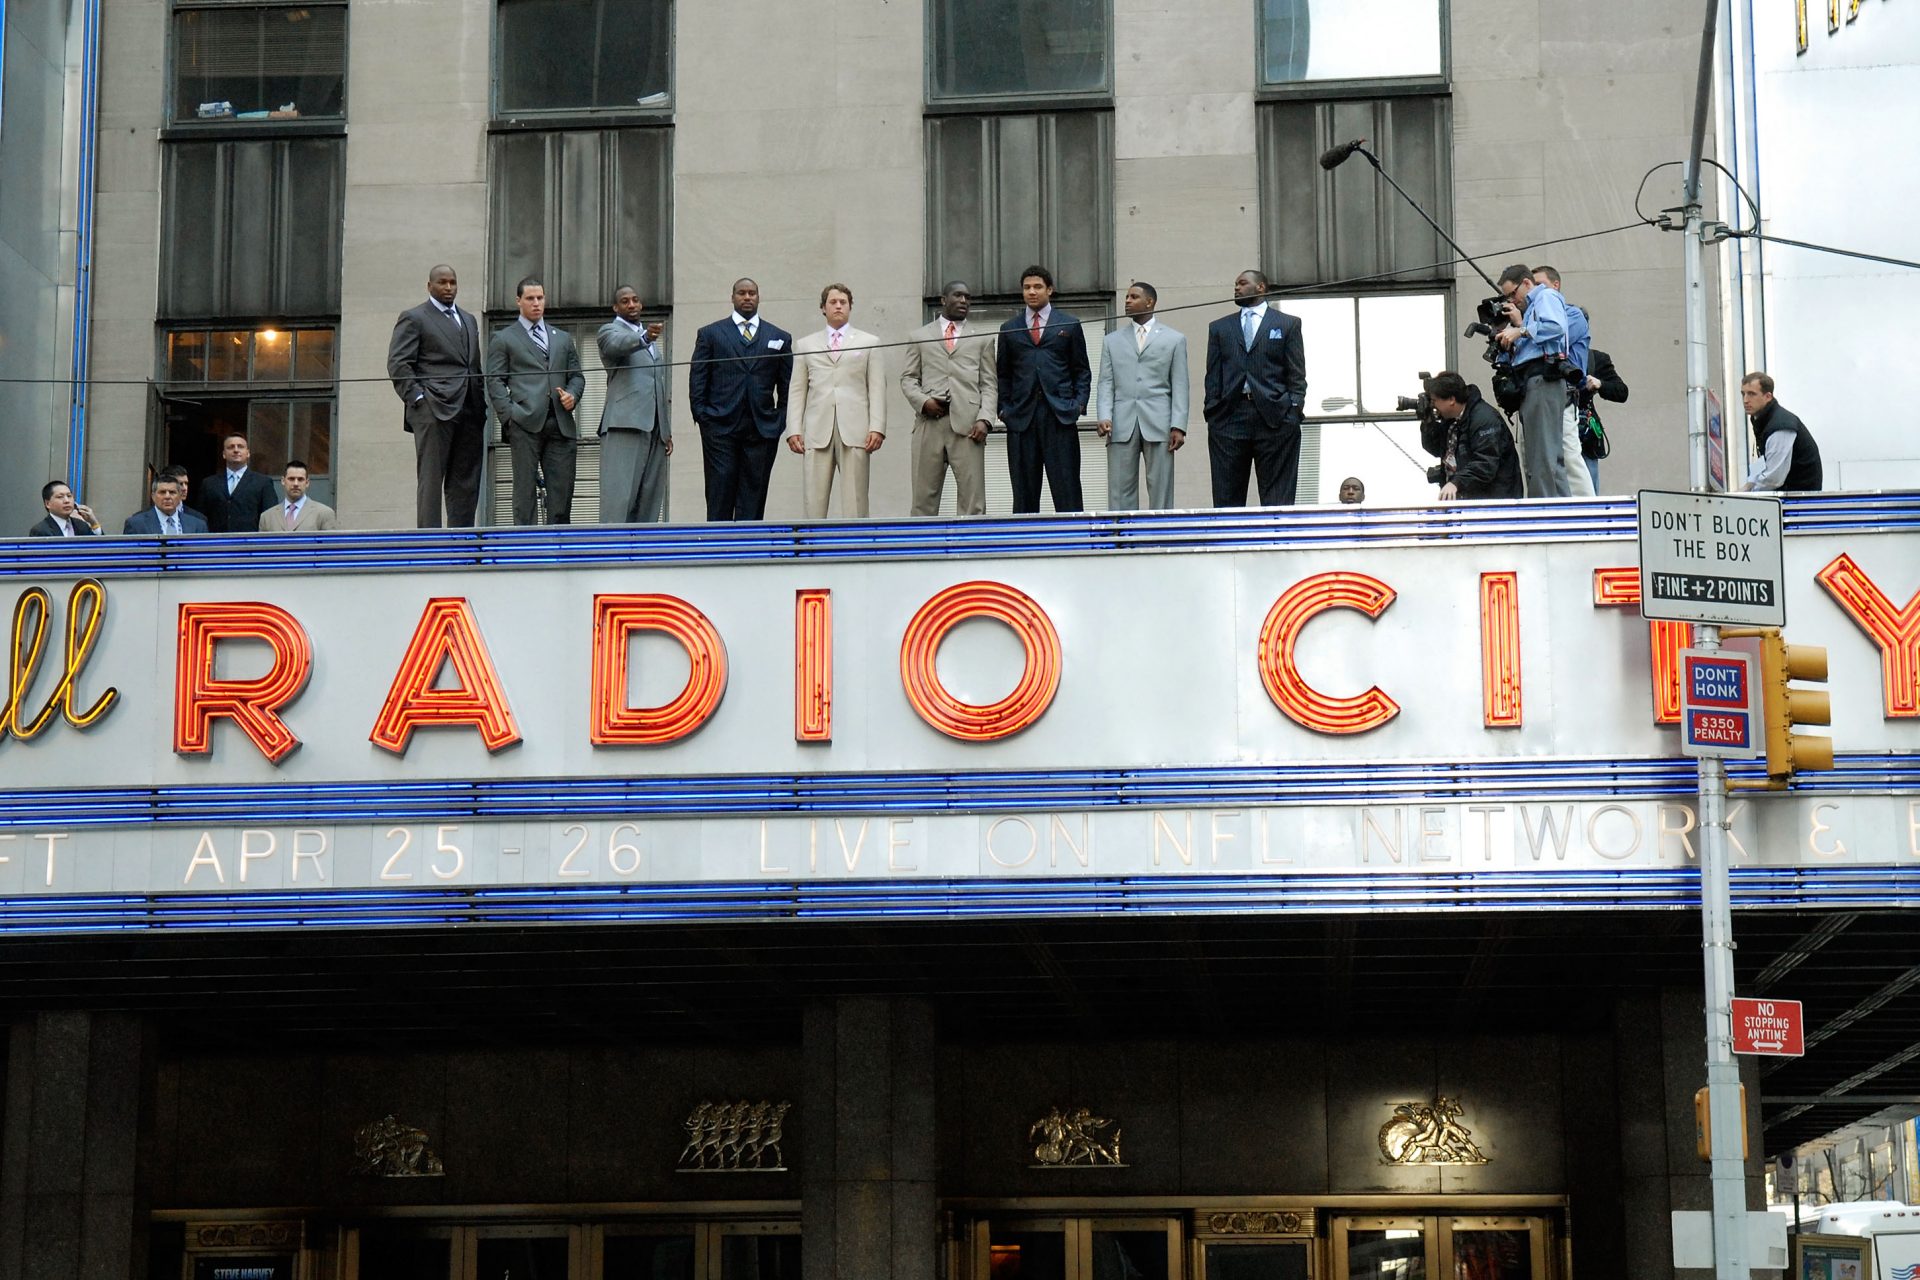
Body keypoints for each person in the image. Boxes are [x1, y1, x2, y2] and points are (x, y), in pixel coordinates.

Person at [387, 263, 486, 528]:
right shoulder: (415, 317)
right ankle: (430, 543)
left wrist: (481, 401)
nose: (448, 288)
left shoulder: (468, 319)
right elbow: (398, 364)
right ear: (429, 285)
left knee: (466, 479)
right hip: (433, 407)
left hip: (469, 407)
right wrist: (418, 399)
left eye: (452, 282)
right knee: (431, 479)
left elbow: (472, 365)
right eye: (442, 282)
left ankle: (462, 541)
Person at [689, 278, 793, 522]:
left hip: (762, 428)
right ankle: (718, 548)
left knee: (754, 493)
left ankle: (750, 548)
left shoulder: (779, 336)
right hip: (719, 426)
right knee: (720, 490)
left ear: (759, 297)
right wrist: (703, 416)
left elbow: (788, 384)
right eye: (742, 293)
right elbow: (698, 379)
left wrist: (780, 419)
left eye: (752, 293)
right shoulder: (710, 334)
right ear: (732, 297)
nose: (747, 297)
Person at [1203, 268, 1307, 506]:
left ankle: (1277, 541)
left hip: (1275, 417)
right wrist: (1213, 411)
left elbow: (1296, 373)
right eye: (1235, 284)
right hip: (1229, 416)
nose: (1236, 288)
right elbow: (1213, 375)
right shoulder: (1220, 328)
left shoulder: (1287, 324)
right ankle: (1229, 542)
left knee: (1278, 497)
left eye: (1242, 283)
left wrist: (1293, 408)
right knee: (1226, 496)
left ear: (1260, 287)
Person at [485, 277, 585, 525]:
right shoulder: (504, 338)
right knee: (524, 492)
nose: (536, 303)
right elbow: (495, 380)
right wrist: (509, 416)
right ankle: (525, 549)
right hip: (524, 422)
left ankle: (559, 548)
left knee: (562, 492)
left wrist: (573, 395)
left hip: (560, 422)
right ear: (518, 301)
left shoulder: (561, 338)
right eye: (530, 298)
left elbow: (577, 377)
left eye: (540, 298)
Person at [786, 283, 886, 519]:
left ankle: (856, 548)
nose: (838, 306)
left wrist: (877, 427)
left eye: (843, 302)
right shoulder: (805, 345)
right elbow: (797, 390)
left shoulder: (869, 342)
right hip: (817, 427)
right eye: (833, 302)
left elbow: (877, 388)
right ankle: (812, 549)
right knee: (814, 499)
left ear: (850, 307)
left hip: (856, 428)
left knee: (856, 500)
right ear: (823, 308)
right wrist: (793, 429)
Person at [996, 265, 1091, 513]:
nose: (1032, 292)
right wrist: (1004, 410)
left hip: (1059, 416)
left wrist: (1078, 404)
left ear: (1050, 289)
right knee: (1024, 493)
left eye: (1037, 287)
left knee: (1067, 489)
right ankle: (1025, 546)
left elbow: (1081, 370)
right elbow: (1002, 374)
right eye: (1027, 287)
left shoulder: (1069, 324)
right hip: (1021, 418)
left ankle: (1075, 544)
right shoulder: (1009, 328)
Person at [901, 280, 995, 516]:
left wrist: (985, 419)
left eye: (967, 297)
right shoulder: (919, 336)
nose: (963, 301)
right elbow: (908, 379)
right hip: (929, 425)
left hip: (969, 426)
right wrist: (924, 402)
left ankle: (972, 550)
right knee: (923, 500)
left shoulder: (983, 338)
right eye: (957, 296)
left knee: (973, 501)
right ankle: (923, 551)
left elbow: (989, 384)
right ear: (943, 300)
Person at [1096, 281, 1188, 511]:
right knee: (1119, 488)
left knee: (1160, 488)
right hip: (1120, 421)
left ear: (1150, 302)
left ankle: (1160, 537)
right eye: (1126, 297)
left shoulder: (1174, 339)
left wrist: (1178, 425)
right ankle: (1122, 538)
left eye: (1133, 297)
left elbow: (1180, 384)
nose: (1127, 301)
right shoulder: (1112, 340)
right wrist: (1104, 415)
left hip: (1160, 420)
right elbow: (1105, 382)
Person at [1492, 263, 1575, 498]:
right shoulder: (1529, 310)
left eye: (1512, 293)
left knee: (1541, 458)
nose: (1512, 299)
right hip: (1535, 382)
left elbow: (1556, 326)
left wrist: (1521, 331)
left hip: (1542, 380)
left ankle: (1546, 513)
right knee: (1547, 457)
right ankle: (1562, 513)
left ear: (1527, 284)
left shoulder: (1545, 296)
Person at [596, 285, 673, 524]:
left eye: (636, 300)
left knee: (649, 499)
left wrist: (666, 430)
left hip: (654, 427)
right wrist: (644, 338)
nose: (631, 305)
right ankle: (611, 555)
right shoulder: (609, 331)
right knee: (619, 499)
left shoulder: (647, 336)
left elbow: (655, 383)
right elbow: (616, 346)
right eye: (625, 301)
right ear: (616, 307)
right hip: (624, 423)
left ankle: (643, 555)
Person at [1530, 266, 1596, 498]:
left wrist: (1523, 328)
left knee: (1569, 456)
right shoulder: (1532, 316)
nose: (1536, 291)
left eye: (1541, 284)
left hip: (1565, 393)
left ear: (1555, 285)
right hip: (1541, 393)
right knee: (1540, 458)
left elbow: (1556, 336)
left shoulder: (1571, 314)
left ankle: (1589, 514)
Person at [1421, 371, 1522, 502]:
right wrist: (1427, 422)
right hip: (1469, 500)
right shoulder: (1451, 419)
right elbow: (1436, 449)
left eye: (1435, 401)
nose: (1433, 405)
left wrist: (1456, 483)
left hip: (1494, 504)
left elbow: (1485, 464)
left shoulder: (1484, 419)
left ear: (1451, 400)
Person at [1741, 371, 1823, 491]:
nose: (1745, 400)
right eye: (1743, 394)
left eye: (1752, 394)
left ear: (1768, 396)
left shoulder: (1780, 427)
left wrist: (1746, 497)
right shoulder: (1764, 421)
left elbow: (1773, 479)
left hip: (1798, 501)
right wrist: (1747, 486)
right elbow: (1764, 465)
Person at [197, 433, 279, 532]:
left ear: (248, 453)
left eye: (240, 447)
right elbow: (200, 518)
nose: (236, 450)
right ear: (223, 454)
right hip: (217, 543)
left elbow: (270, 517)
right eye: (231, 447)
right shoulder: (209, 484)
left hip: (250, 543)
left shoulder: (263, 483)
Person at [1580, 347, 1629, 492]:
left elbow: (1622, 391)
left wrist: (1600, 384)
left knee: (1587, 492)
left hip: (1584, 437)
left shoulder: (1593, 358)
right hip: (1553, 434)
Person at [257, 461, 338, 531]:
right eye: (291, 479)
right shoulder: (267, 517)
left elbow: (330, 547)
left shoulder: (324, 513)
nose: (296, 484)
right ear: (283, 481)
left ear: (307, 483)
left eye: (300, 479)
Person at [123, 475, 209, 535]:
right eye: (162, 492)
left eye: (172, 492)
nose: (167, 496)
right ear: (153, 496)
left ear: (179, 497)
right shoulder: (135, 524)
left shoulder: (198, 525)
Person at [28, 482, 100, 536]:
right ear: (47, 504)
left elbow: (100, 549)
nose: (67, 500)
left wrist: (94, 523)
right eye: (60, 497)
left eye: (69, 496)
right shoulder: (40, 530)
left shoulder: (81, 525)